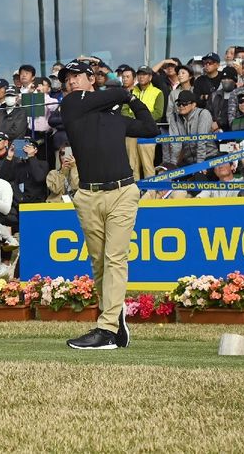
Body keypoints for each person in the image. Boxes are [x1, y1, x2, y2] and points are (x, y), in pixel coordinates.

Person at [58, 59, 159, 350]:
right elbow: (114, 94)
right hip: (88, 195)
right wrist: (125, 93)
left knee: (116, 259)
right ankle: (113, 320)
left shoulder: (116, 119)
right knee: (99, 263)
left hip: (122, 192)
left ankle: (106, 328)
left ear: (92, 79)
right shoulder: (71, 105)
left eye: (77, 76)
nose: (72, 81)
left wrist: (131, 99)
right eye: (68, 78)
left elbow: (150, 128)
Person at [127, 66, 164, 180]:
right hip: (132, 132)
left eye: (144, 74)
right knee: (132, 165)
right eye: (139, 74)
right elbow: (124, 110)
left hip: (148, 132)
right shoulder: (131, 91)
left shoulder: (158, 92)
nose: (141, 76)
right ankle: (135, 192)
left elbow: (158, 113)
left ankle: (151, 192)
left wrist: (140, 119)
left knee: (148, 165)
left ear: (150, 77)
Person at [164, 90, 217, 168]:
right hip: (189, 160)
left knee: (198, 177)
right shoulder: (174, 118)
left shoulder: (203, 114)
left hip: (208, 157)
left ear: (193, 105)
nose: (181, 106)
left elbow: (201, 141)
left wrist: (200, 166)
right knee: (174, 176)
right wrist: (173, 166)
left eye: (184, 103)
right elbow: (175, 144)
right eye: (179, 103)